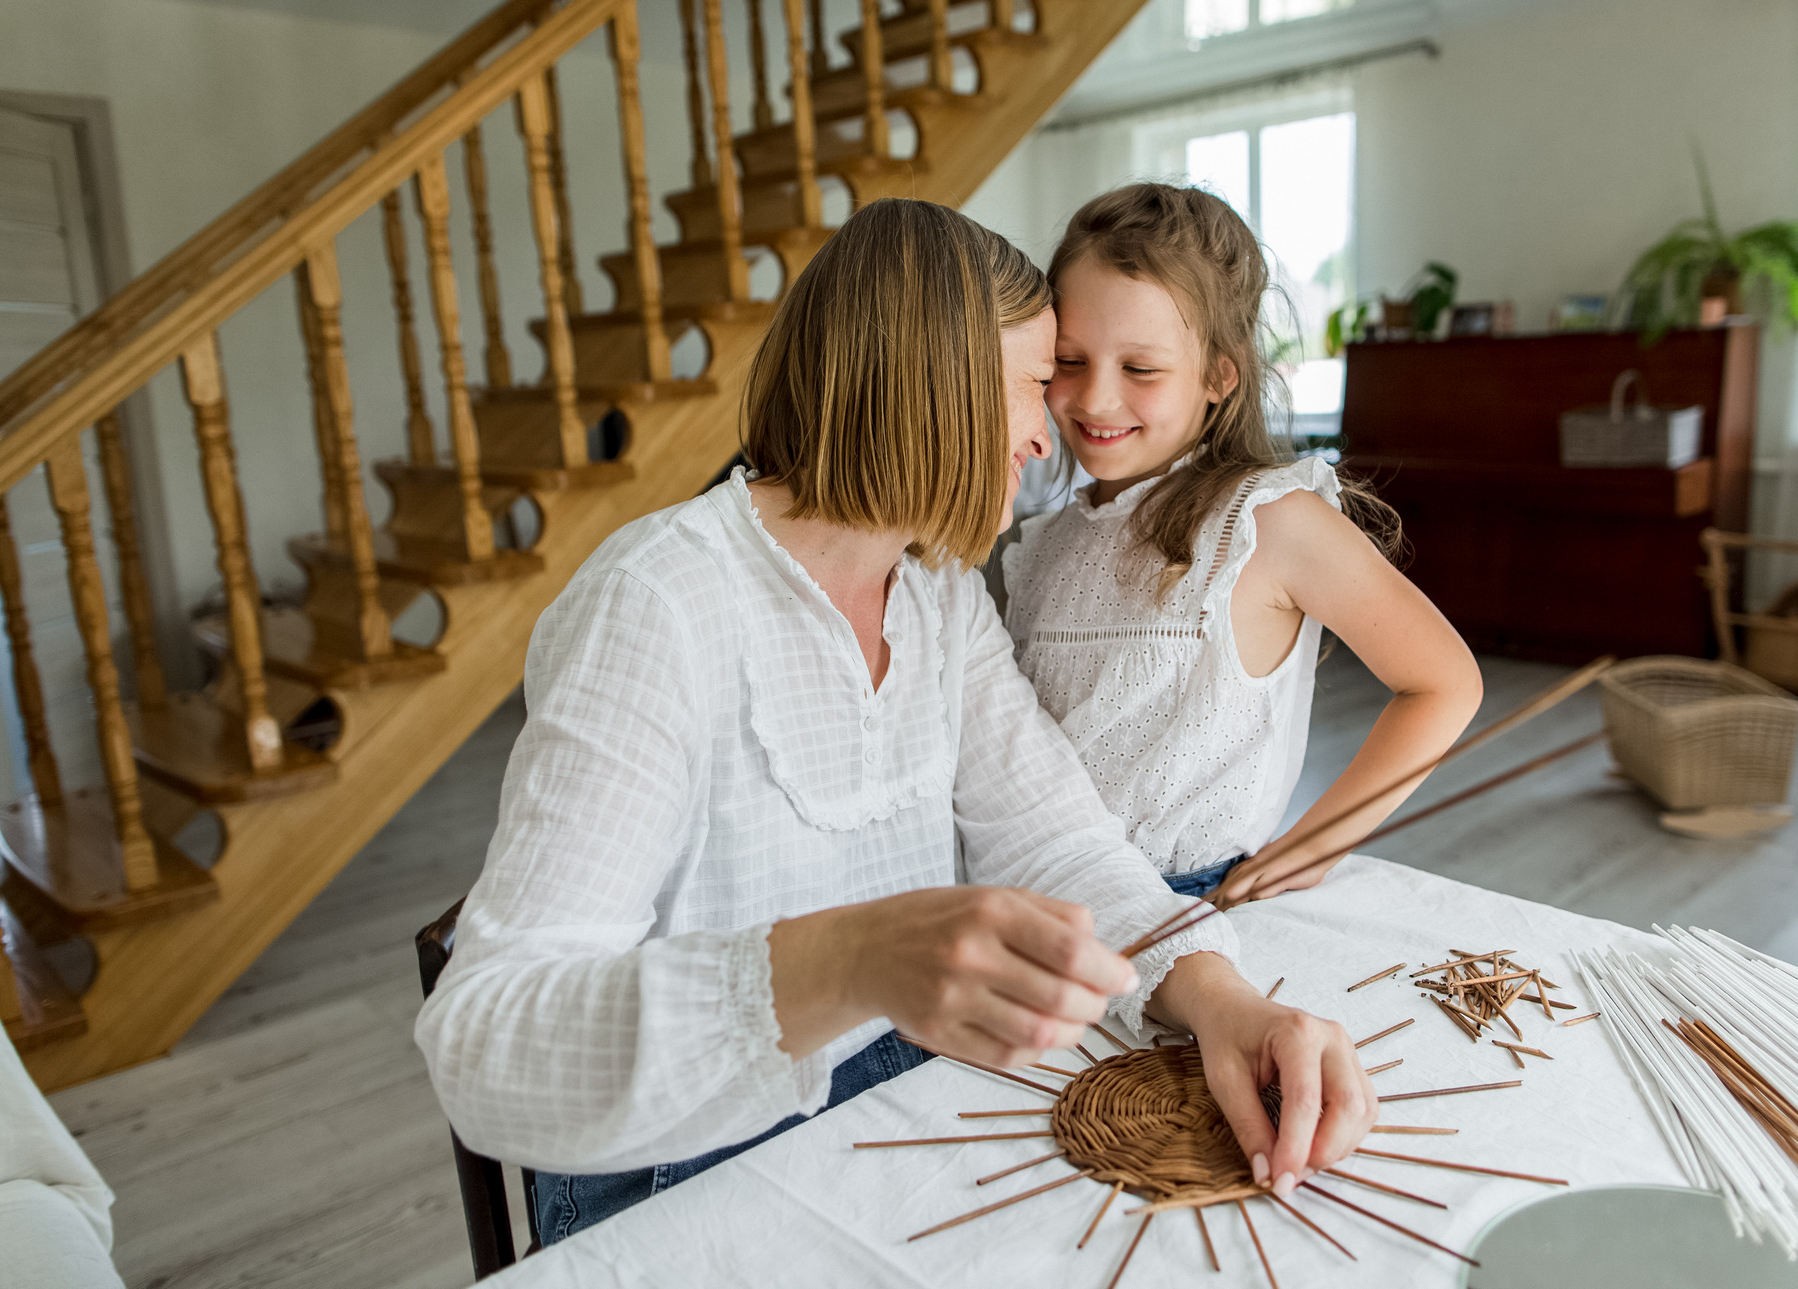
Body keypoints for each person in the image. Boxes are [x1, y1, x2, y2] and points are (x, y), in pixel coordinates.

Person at [415, 199, 1376, 1246]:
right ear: (935, 388)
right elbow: (484, 1047)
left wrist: (1226, 1000)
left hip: (902, 1105)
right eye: (1029, 384)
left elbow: (1054, 839)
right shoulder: (658, 603)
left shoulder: (936, 593)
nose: (1044, 430)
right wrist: (854, 957)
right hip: (678, 1173)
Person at [1004, 183, 1486, 907]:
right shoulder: (1042, 544)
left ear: (1219, 376)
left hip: (1182, 905)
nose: (1096, 398)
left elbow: (1445, 682)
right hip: (1032, 894)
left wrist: (1316, 845)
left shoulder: (1268, 522)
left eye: (1140, 369)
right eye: (1068, 361)